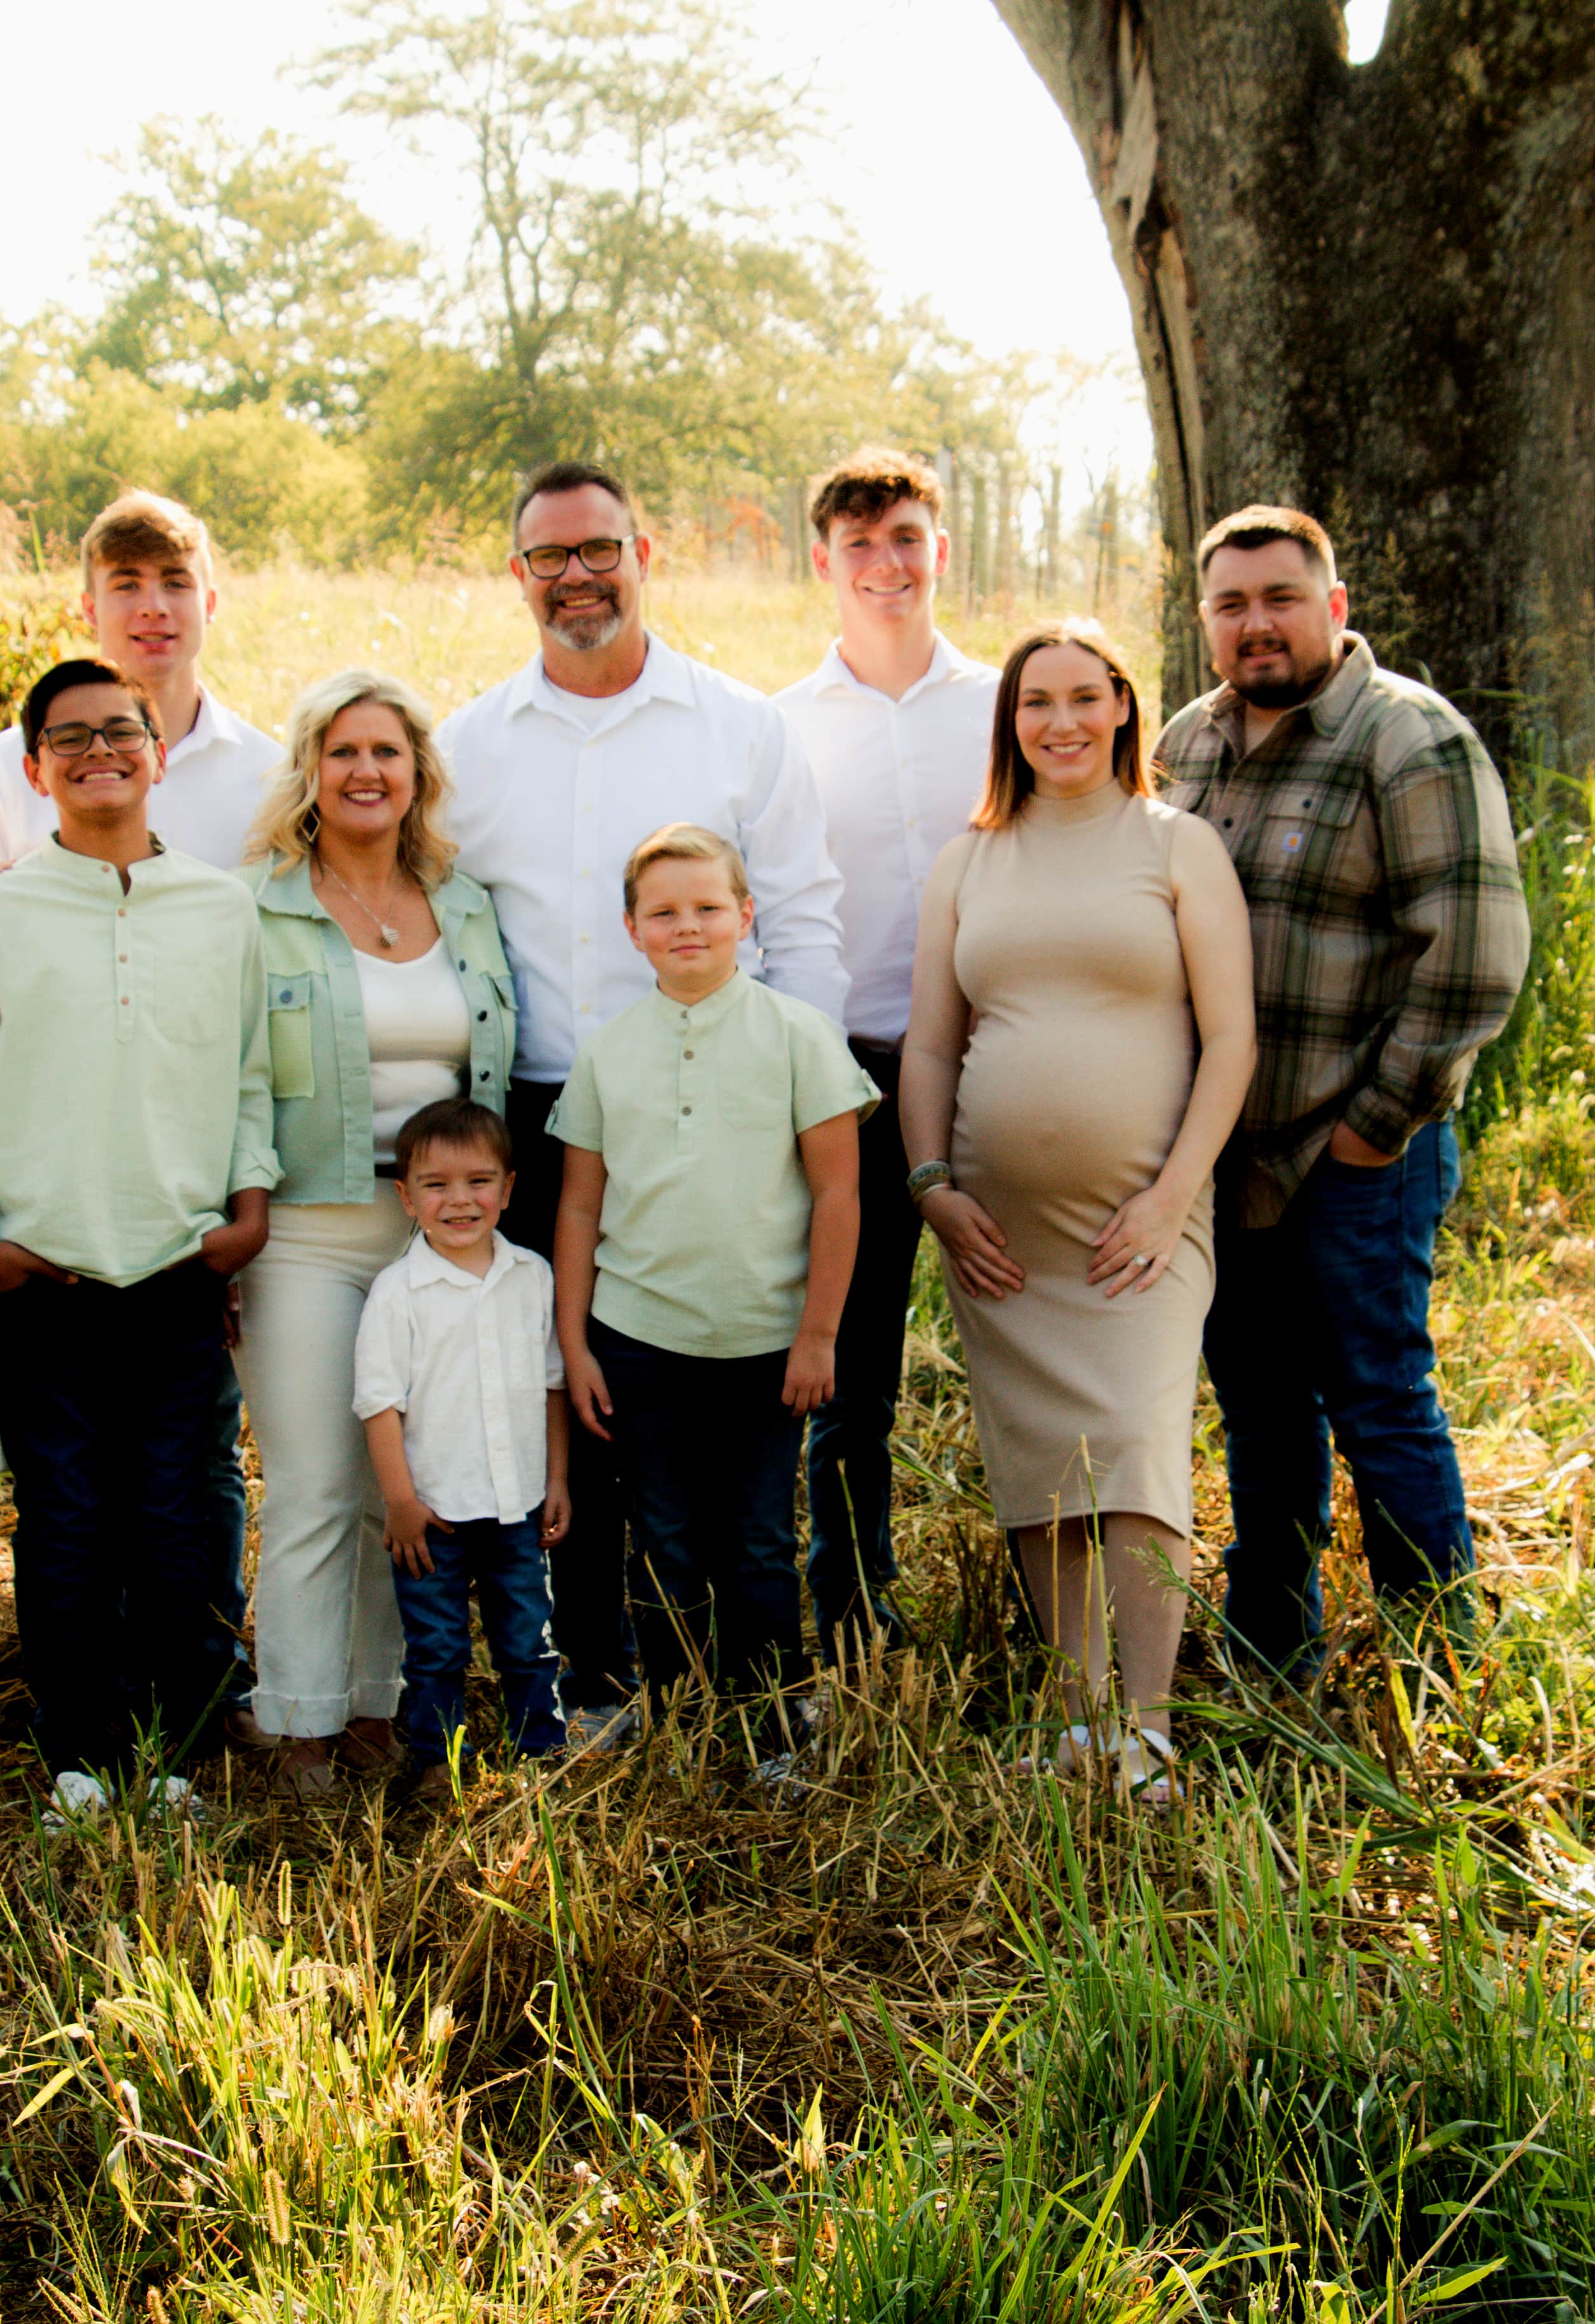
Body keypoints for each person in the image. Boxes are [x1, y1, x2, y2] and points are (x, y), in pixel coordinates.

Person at [439, 459, 849, 1737]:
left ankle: (774, 1671)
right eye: (547, 558)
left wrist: (801, 1099)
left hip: (724, 1111)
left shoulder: (736, 725)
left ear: (642, 553)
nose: (575, 577)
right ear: (519, 577)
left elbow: (807, 921)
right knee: (577, 1397)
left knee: (721, 1398)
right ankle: (600, 1675)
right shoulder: (471, 746)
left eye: (596, 549)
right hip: (542, 1109)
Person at [1152, 506, 1531, 1678]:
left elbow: (1473, 957)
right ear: (1206, 619)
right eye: (1230, 603)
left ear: (1334, 606)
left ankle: (1437, 1660)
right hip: (1226, 1148)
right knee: (1260, 1405)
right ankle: (1274, 1638)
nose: (1255, 623)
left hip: (1354, 1149)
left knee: (1376, 1397)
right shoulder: (1184, 746)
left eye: (1279, 597)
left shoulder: (1406, 739)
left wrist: (1370, 1133)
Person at [903, 620, 1255, 1803]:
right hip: (1002, 1237)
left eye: (1081, 697)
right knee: (1043, 1472)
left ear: (1121, 708)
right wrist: (933, 1190)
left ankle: (1144, 1731)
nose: (1059, 721)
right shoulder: (970, 860)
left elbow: (1231, 1038)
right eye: (1033, 701)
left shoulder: (1176, 845)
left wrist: (1171, 1197)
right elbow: (931, 1047)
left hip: (1138, 1220)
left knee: (1138, 1457)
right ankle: (1075, 1717)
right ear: (1010, 721)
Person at [0, 658, 276, 1820]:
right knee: (67, 1508)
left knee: (182, 1502)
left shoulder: (221, 907)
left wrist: (247, 1205)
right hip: (44, 1265)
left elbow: (249, 1074)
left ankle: (181, 1735)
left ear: (158, 753)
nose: (97, 753)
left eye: (119, 731)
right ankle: (76, 1742)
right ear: (34, 771)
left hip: (178, 1259)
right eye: (67, 739)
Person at [234, 670, 519, 1794]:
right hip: (303, 1227)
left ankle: (376, 1707)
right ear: (311, 770)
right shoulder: (256, 906)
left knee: (408, 1486)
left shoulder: (462, 901)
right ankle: (296, 1725)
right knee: (316, 1480)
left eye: (387, 754)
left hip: (435, 1234)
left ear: (418, 776)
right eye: (343, 752)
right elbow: (231, 1079)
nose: (365, 772)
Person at [549, 826, 872, 1775]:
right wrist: (576, 1345)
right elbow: (578, 1203)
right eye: (663, 912)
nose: (686, 925)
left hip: (768, 1341)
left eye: (706, 907)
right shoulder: (608, 1052)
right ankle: (678, 1718)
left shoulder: (796, 1035)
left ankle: (774, 1722)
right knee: (665, 1538)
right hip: (641, 1339)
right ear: (631, 930)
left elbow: (839, 1193)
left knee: (762, 1539)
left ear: (745, 916)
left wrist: (818, 1334)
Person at [768, 448, 999, 1664]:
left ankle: (1047, 1593)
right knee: (849, 1364)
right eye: (858, 546)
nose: (884, 564)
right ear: (823, 563)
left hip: (1001, 1061)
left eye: (904, 538)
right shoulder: (782, 726)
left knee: (1026, 1339)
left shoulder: (1009, 702)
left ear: (939, 549)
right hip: (852, 1069)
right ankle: (852, 1605)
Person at [353, 1098, 571, 1793]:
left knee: (528, 1641)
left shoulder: (531, 1277)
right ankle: (438, 1763)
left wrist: (557, 1480)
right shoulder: (397, 1293)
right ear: (406, 1198)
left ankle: (540, 1751)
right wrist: (400, 1502)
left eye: (478, 1181)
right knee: (438, 1646)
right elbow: (379, 1406)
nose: (460, 1201)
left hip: (517, 1506)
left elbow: (551, 1387)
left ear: (508, 1188)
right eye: (436, 1185)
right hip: (434, 1512)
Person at [0, 489, 281, 880]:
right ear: (90, 609)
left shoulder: (272, 776)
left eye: (176, 583)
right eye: (127, 586)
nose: (154, 607)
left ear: (210, 605)